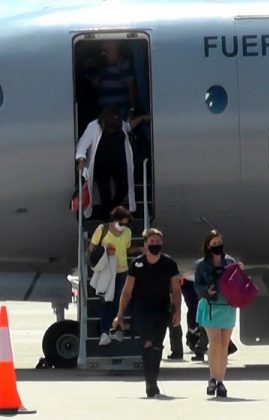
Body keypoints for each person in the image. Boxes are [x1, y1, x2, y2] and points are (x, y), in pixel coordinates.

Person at [113, 228, 181, 398]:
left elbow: (176, 290)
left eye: (158, 242)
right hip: (142, 309)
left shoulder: (169, 264)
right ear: (145, 244)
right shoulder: (137, 264)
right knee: (147, 343)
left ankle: (154, 378)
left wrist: (177, 311)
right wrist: (120, 315)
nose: (155, 245)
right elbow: (127, 291)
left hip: (162, 308)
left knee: (157, 346)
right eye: (152, 242)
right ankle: (149, 383)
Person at [74, 107, 149, 219]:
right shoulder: (94, 127)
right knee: (105, 194)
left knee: (123, 188)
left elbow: (128, 126)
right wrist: (81, 159)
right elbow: (82, 144)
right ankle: (106, 218)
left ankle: (114, 210)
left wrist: (142, 118)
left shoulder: (119, 125)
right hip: (101, 165)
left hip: (117, 164)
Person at [194, 230, 240, 397]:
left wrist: (239, 271)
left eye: (219, 242)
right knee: (214, 342)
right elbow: (197, 286)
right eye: (214, 244)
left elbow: (238, 283)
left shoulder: (230, 262)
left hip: (227, 306)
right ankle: (212, 378)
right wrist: (207, 290)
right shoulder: (201, 264)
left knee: (224, 344)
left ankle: (221, 381)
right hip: (210, 306)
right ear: (208, 246)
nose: (218, 246)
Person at [90, 206, 140, 345]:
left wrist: (139, 249)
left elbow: (127, 249)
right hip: (107, 271)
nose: (124, 226)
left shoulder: (127, 232)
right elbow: (92, 248)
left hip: (122, 270)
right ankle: (104, 332)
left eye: (126, 224)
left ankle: (115, 329)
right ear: (115, 220)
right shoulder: (102, 229)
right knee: (107, 301)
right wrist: (105, 251)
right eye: (122, 223)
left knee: (119, 301)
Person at [96, 41, 137, 120]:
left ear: (115, 49)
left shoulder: (123, 64)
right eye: (105, 50)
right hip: (104, 115)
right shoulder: (103, 66)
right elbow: (96, 84)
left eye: (109, 48)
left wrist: (132, 110)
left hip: (120, 114)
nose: (106, 52)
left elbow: (131, 88)